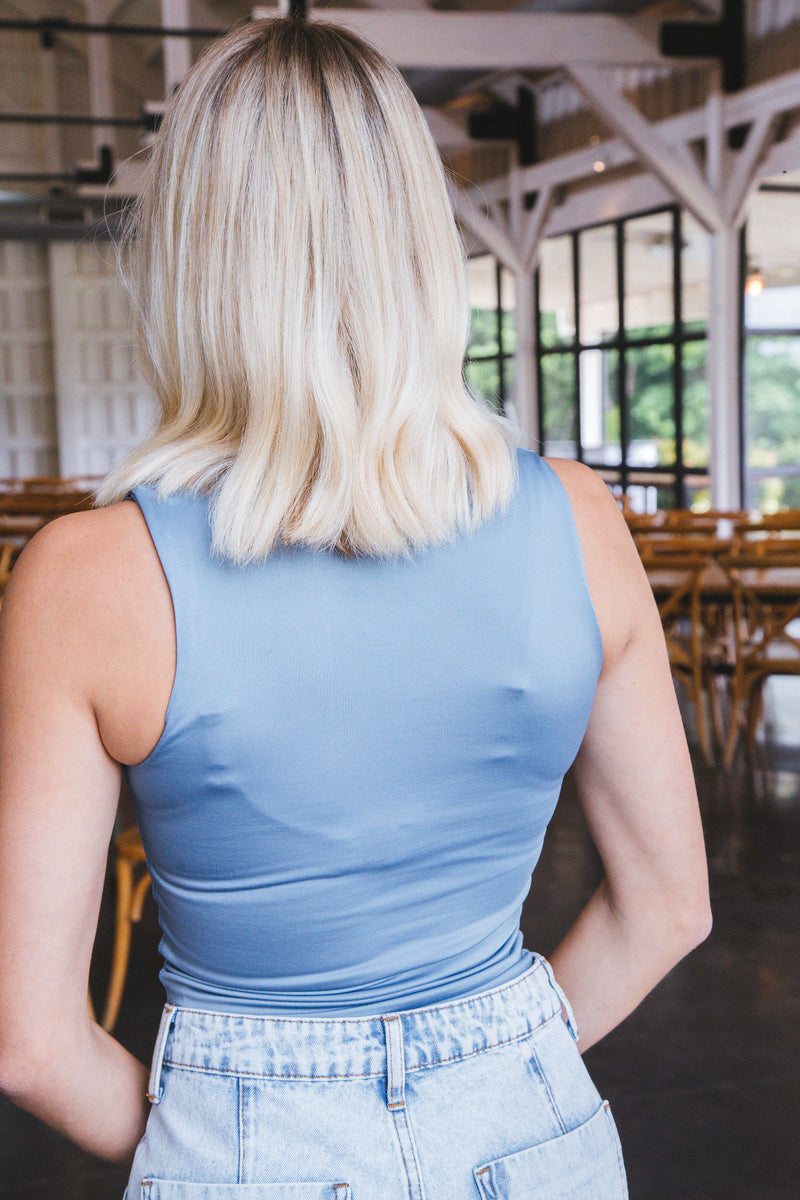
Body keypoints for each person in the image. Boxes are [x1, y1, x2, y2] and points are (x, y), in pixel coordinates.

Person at [0, 15, 711, 1198]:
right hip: (537, 1141)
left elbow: (28, 1040)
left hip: (243, 1149)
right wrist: (482, 1076)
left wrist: (217, 1137)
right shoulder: (578, 522)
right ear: (417, 243)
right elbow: (669, 907)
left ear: (189, 254)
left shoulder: (84, 581)